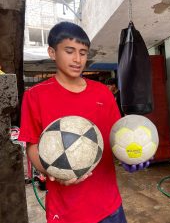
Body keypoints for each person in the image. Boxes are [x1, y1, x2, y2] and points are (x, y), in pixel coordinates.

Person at [18, 21, 149, 223]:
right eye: (69, 51)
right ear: (52, 52)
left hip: (109, 205)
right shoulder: (35, 96)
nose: (77, 59)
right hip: (67, 211)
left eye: (83, 52)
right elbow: (32, 145)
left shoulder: (103, 93)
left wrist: (130, 156)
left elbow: (117, 136)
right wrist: (53, 171)